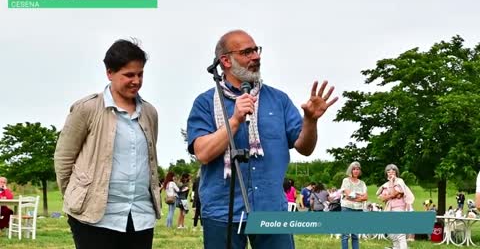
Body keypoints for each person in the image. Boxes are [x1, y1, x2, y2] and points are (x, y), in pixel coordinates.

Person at [186, 29, 338, 249]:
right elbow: (203, 153)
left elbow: (304, 148)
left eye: (256, 50)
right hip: (223, 212)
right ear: (225, 60)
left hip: (271, 210)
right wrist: (235, 119)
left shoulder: (278, 100)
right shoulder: (205, 102)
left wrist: (310, 121)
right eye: (247, 52)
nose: (256, 57)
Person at [54, 39, 160, 249]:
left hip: (139, 216)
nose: (136, 80)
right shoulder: (87, 109)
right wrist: (77, 198)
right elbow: (63, 158)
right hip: (94, 217)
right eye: (129, 75)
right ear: (109, 73)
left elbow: (150, 159)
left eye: (140, 74)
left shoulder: (150, 113)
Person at [377, 164, 414, 249]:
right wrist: (390, 195)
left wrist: (391, 184)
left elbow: (394, 193)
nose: (391, 173)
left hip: (399, 208)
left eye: (393, 171)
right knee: (391, 233)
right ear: (386, 173)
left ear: (396, 172)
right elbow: (382, 198)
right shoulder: (385, 184)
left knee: (400, 233)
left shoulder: (399, 181)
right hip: (389, 209)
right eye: (388, 171)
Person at [340, 161, 368, 249]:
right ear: (351, 171)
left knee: (355, 235)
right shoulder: (346, 180)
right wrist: (360, 197)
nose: (356, 171)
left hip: (358, 210)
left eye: (358, 169)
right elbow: (348, 194)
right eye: (354, 169)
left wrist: (354, 197)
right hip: (347, 209)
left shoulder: (362, 183)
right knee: (345, 234)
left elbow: (366, 197)